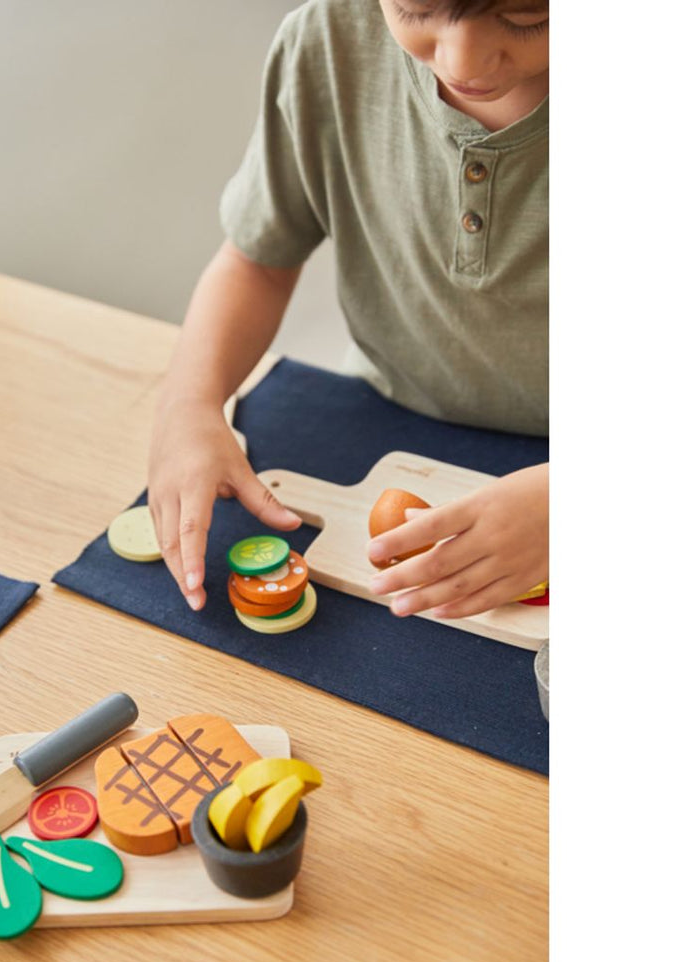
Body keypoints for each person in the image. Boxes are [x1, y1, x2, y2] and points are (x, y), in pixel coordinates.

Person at [148, 0, 548, 619]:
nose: (462, 59)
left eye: (526, 16)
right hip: (380, 416)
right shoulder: (327, 42)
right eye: (417, 7)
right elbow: (257, 260)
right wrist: (188, 403)